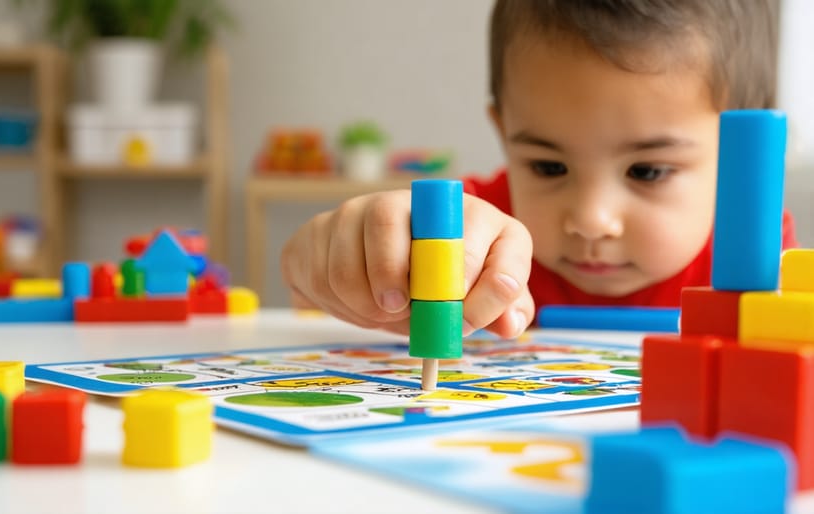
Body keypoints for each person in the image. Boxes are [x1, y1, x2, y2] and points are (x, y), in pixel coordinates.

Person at [280, 0, 796, 340]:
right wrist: (340, 255)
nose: (591, 221)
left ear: (747, 154)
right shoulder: (470, 232)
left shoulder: (757, 260)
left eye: (648, 171)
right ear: (504, 130)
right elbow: (303, 283)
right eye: (549, 166)